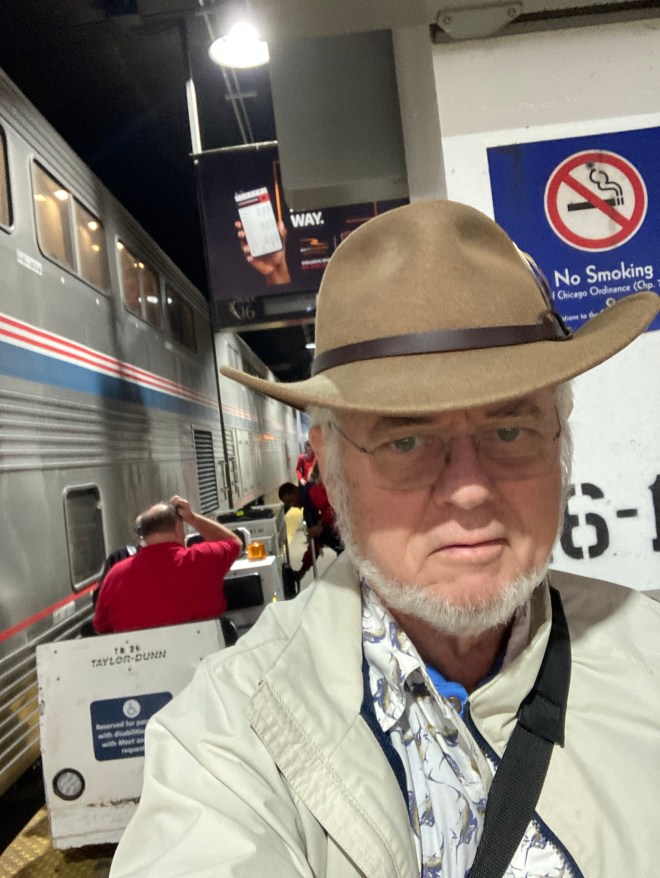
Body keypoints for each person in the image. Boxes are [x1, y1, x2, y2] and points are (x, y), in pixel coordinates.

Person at [110, 201, 660, 877]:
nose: (468, 488)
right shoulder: (225, 738)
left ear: (561, 445)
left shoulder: (650, 655)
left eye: (510, 430)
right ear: (331, 470)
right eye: (405, 439)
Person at [94, 495, 241, 634]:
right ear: (178, 528)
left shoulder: (115, 576)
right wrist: (192, 518)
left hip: (143, 659)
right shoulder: (204, 558)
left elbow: (101, 628)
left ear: (143, 535)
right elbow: (234, 542)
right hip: (206, 657)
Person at [278, 479, 343, 582]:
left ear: (295, 491)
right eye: (288, 504)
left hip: (349, 541)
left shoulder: (313, 492)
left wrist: (321, 525)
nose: (292, 506)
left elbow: (333, 508)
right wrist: (302, 571)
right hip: (342, 548)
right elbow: (315, 543)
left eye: (291, 501)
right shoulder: (307, 511)